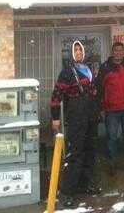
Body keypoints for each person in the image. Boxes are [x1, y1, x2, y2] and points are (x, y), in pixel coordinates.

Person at [50, 40, 101, 207]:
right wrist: (55, 117)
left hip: (91, 117)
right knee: (75, 155)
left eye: (81, 50)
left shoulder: (89, 70)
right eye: (76, 50)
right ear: (72, 53)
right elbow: (56, 96)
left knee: (90, 151)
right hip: (76, 118)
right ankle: (67, 193)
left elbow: (94, 93)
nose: (79, 53)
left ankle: (87, 185)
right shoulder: (66, 73)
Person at [96, 42, 124, 175]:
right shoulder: (105, 67)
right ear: (112, 52)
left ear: (123, 51)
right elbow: (99, 89)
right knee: (112, 137)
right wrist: (100, 108)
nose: (118, 52)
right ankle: (111, 164)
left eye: (121, 50)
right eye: (116, 50)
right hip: (111, 109)